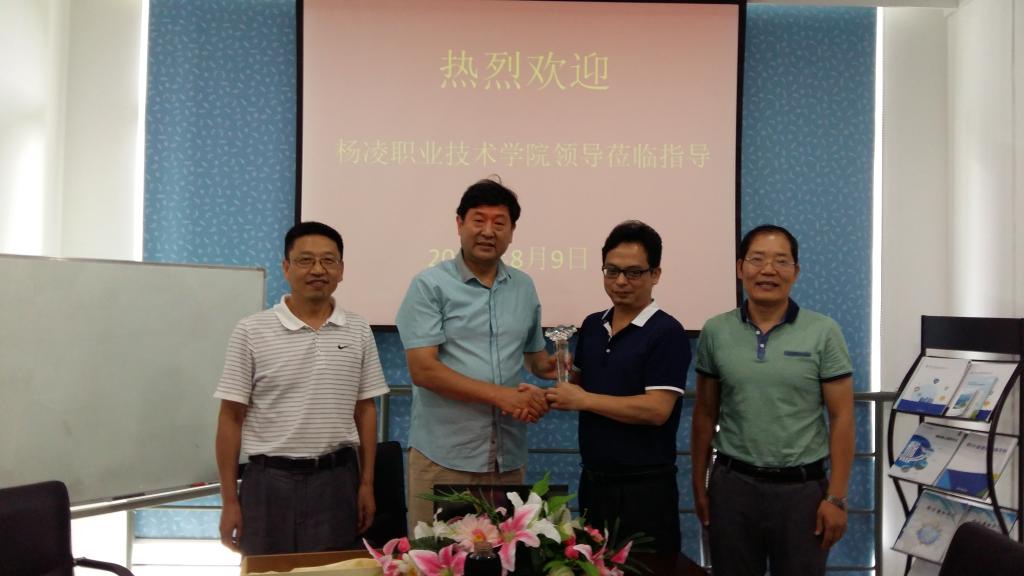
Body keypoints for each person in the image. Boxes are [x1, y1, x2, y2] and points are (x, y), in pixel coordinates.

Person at [214, 221, 389, 555]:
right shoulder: (251, 331)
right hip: (268, 483)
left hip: (337, 481)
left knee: (332, 571)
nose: (318, 270)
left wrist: (366, 484)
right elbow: (230, 418)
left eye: (328, 260)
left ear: (341, 270)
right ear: (286, 267)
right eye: (305, 260)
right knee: (267, 571)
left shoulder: (358, 330)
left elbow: (365, 409)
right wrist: (229, 500)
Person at [691, 224, 855, 575]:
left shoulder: (823, 332)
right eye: (757, 260)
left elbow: (842, 417)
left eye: (781, 261)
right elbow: (704, 413)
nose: (768, 270)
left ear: (796, 271)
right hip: (732, 488)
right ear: (740, 268)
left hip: (802, 493)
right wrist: (700, 487)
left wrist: (836, 497)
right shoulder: (715, 331)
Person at [395, 178, 556, 530]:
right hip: (444, 456)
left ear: (512, 231)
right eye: (478, 220)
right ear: (459, 223)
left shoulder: (523, 286)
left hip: (507, 458)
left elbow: (534, 358)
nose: (488, 231)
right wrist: (503, 396)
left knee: (507, 554)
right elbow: (424, 370)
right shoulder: (430, 285)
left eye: (499, 223)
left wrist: (556, 366)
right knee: (437, 555)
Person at [545, 220, 690, 555]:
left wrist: (584, 399)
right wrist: (541, 395)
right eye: (612, 271)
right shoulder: (593, 325)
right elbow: (575, 389)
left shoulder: (667, 332)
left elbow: (656, 410)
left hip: (645, 490)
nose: (621, 281)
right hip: (594, 483)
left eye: (633, 272)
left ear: (655, 274)